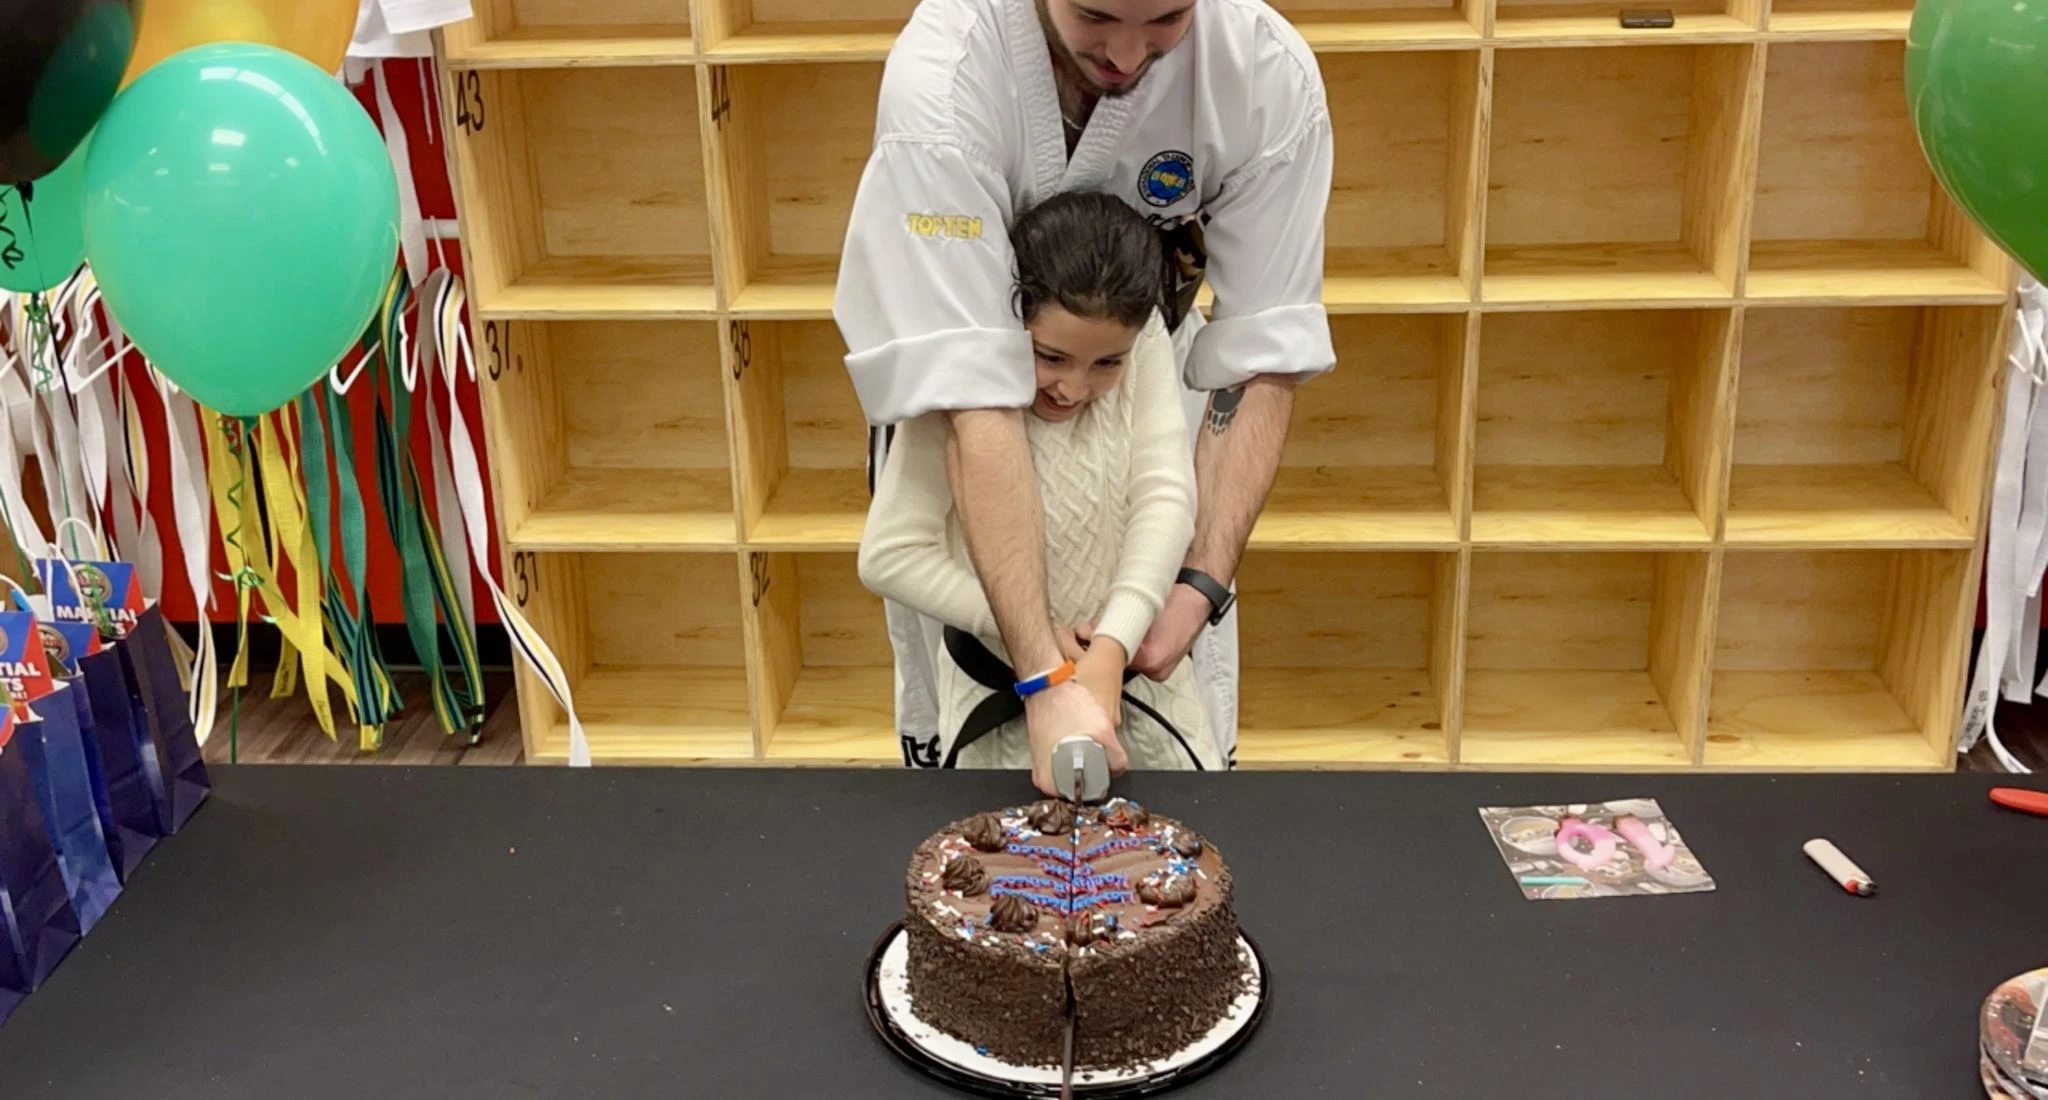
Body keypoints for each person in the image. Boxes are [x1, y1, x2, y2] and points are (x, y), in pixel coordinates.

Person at [834, 0, 1335, 795]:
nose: (1128, 54)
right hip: (966, 417)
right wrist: (1042, 669)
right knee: (984, 792)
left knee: (1172, 785)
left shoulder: (1264, 75)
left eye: (1167, 18)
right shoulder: (946, 78)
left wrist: (1193, 589)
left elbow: (1263, 353)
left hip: (1141, 397)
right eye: (1096, 14)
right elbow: (971, 401)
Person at [859, 191, 1225, 777]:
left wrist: (1113, 643)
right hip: (996, 699)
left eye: (1108, 363)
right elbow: (889, 556)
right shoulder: (960, 373)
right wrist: (1032, 639)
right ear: (1013, 319)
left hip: (1140, 692)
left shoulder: (1147, 335)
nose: (1073, 388)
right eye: (1050, 357)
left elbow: (1165, 498)